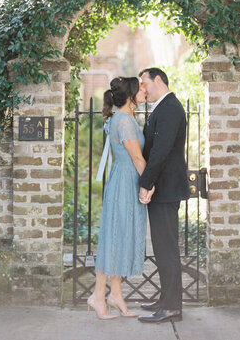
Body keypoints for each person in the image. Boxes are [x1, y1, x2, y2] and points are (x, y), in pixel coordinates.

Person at [87, 76, 154, 320]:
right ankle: (97, 296)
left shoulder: (123, 118)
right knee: (114, 237)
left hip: (125, 180)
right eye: (140, 89)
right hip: (126, 180)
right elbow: (137, 158)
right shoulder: (124, 121)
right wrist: (149, 184)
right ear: (130, 96)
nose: (143, 92)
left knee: (120, 235)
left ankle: (115, 294)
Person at [137, 67, 190, 324]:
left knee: (167, 250)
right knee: (162, 249)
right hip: (163, 188)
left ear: (158, 79)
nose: (142, 88)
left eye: (144, 82)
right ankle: (166, 300)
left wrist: (146, 183)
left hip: (166, 189)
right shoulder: (162, 106)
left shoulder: (170, 107)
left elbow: (160, 151)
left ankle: (171, 307)